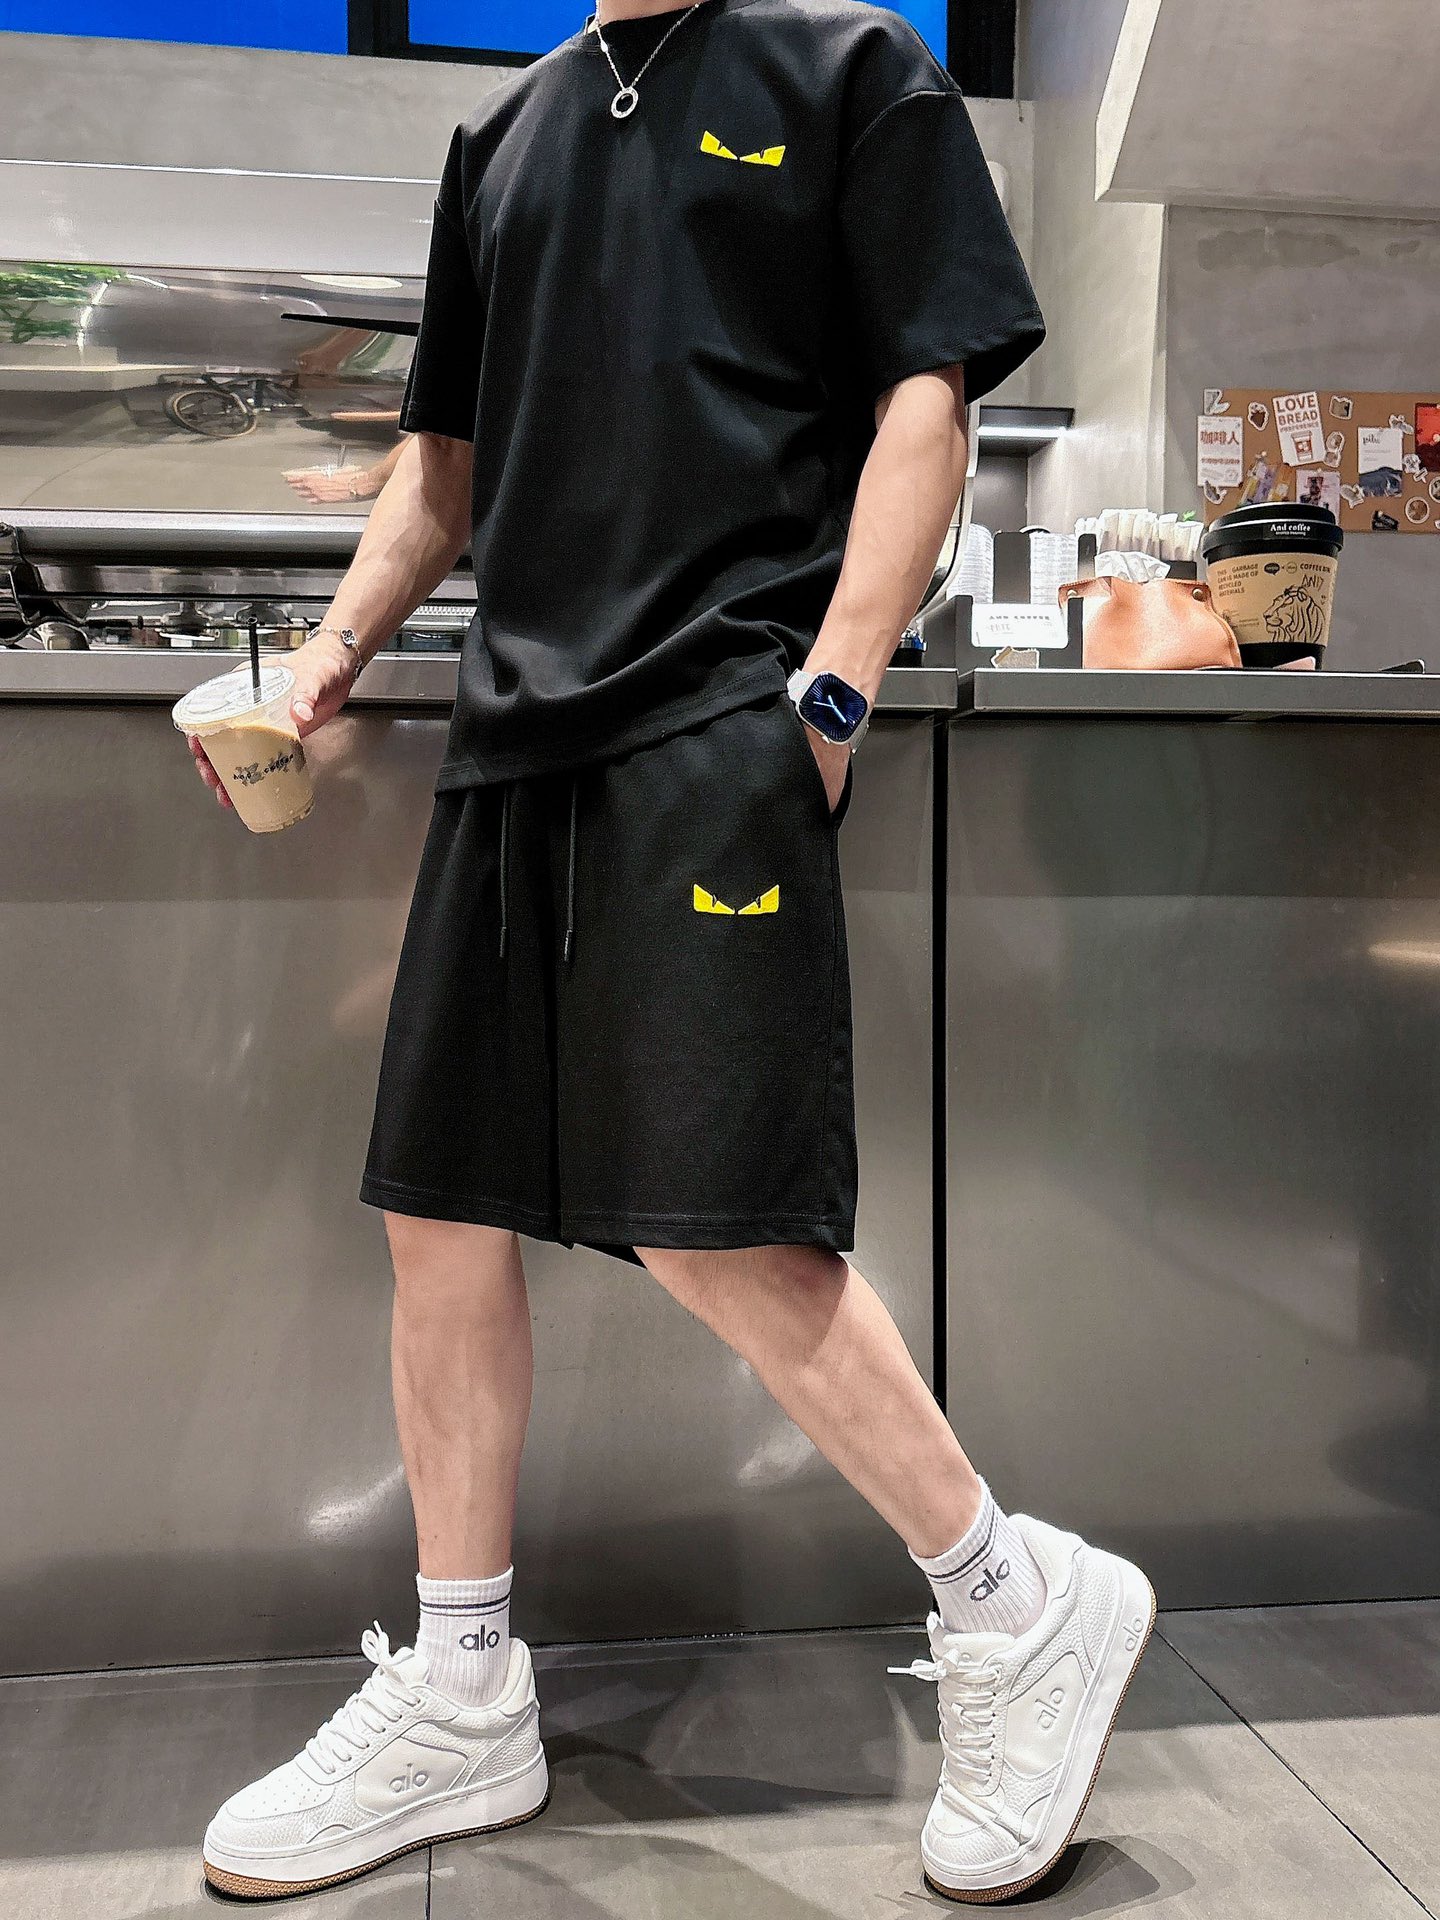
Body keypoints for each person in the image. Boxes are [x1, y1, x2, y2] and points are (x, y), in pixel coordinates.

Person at [190, 0, 1153, 1902]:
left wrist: (835, 694)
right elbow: (443, 466)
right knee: (441, 1212)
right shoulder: (506, 142)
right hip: (512, 737)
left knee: (721, 1221)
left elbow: (932, 400)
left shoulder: (850, 68)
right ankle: (465, 1689)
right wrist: (322, 660)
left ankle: (1014, 1598)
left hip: (721, 713)